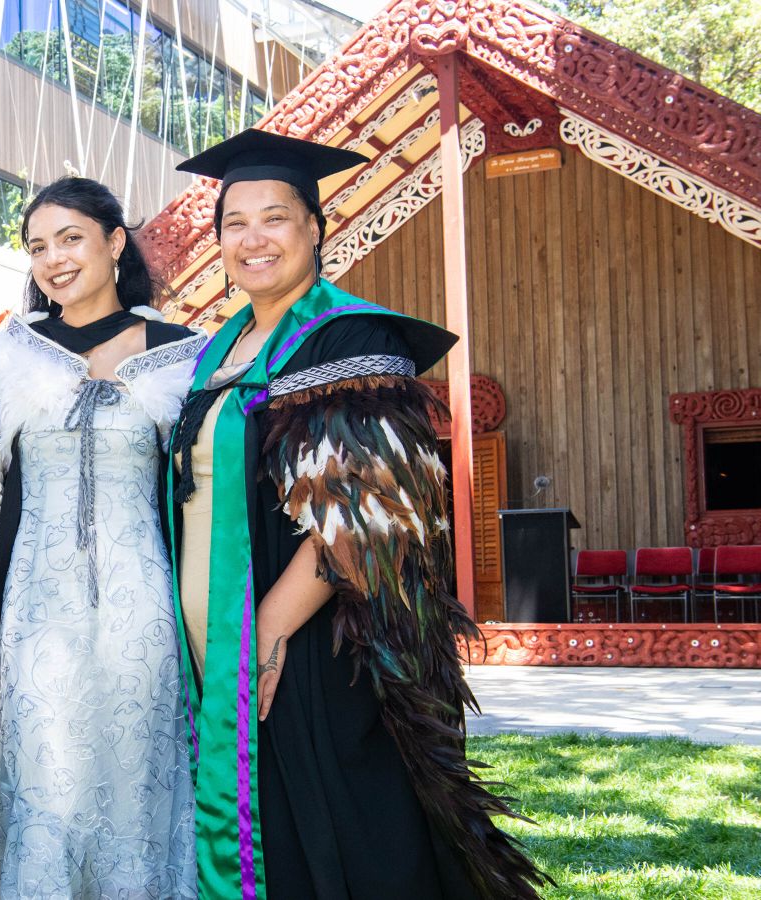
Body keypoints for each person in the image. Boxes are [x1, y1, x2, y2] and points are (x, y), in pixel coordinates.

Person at [166, 130, 545, 899]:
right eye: (234, 223)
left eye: (274, 217)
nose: (253, 239)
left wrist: (267, 634)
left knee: (332, 832)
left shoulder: (350, 335)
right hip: (219, 651)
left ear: (315, 226)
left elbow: (367, 512)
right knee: (264, 833)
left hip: (313, 643)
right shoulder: (220, 351)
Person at [0, 177, 203, 898]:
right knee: (45, 776)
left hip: (145, 607)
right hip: (35, 612)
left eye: (70, 238)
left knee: (138, 772)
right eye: (37, 246)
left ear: (113, 241)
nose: (53, 259)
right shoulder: (3, 354)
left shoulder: (185, 355)